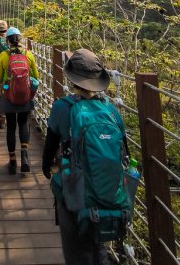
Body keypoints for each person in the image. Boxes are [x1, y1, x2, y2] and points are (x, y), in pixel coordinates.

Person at [42, 49, 128, 265]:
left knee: (76, 249)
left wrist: (48, 169)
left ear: (72, 78)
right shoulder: (111, 111)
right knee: (97, 244)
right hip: (109, 192)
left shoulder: (62, 108)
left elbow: (50, 149)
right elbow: (125, 153)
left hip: (74, 190)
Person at [0, 27, 39, 174]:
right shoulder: (28, 54)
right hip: (25, 96)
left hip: (9, 96)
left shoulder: (3, 55)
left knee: (11, 127)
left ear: (7, 40)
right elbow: (36, 77)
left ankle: (13, 161)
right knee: (23, 124)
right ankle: (25, 157)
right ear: (20, 39)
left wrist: (7, 80)